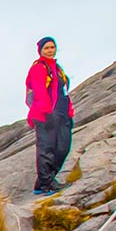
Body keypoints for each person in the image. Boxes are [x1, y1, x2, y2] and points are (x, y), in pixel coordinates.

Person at [25, 36, 74, 196]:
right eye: (46, 48)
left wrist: (69, 111)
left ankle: (43, 182)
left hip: (61, 113)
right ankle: (47, 184)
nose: (50, 50)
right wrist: (47, 112)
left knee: (63, 147)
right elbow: (39, 91)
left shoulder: (58, 68)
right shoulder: (39, 67)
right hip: (45, 115)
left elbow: (63, 92)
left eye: (52, 47)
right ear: (40, 51)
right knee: (47, 149)